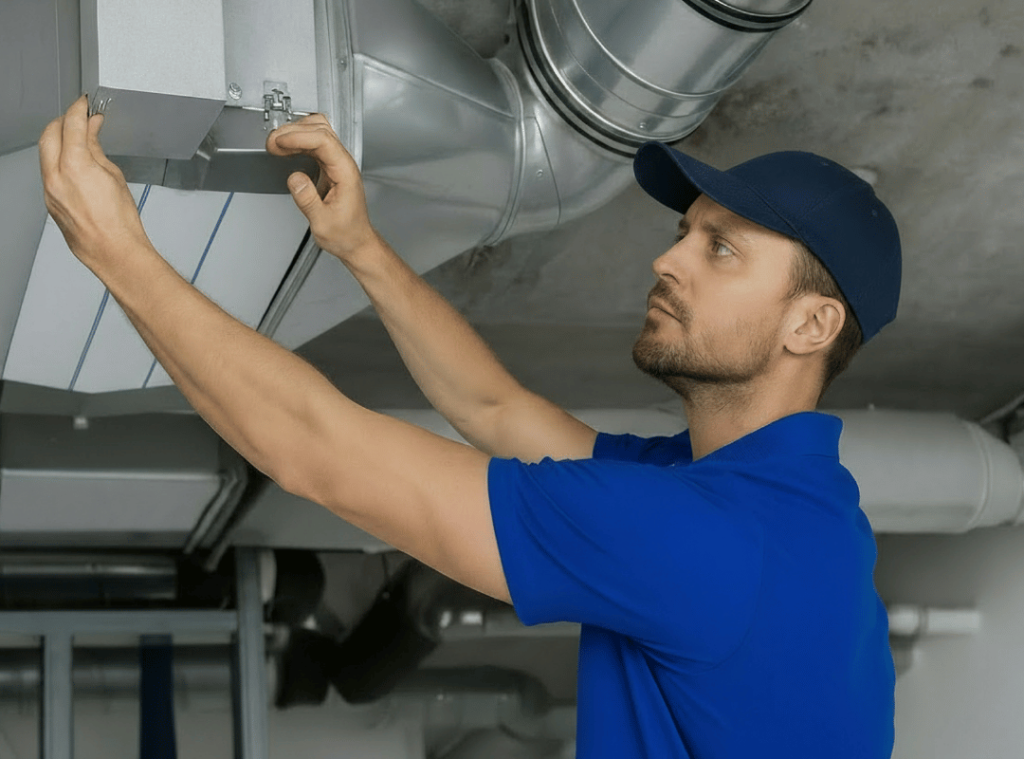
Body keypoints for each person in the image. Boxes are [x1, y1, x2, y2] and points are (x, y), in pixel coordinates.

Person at [39, 95, 899, 758]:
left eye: (720, 249)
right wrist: (362, 247)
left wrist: (120, 253)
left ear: (811, 327)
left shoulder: (707, 539)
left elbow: (321, 453)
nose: (666, 258)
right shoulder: (769, 496)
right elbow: (498, 411)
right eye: (686, 232)